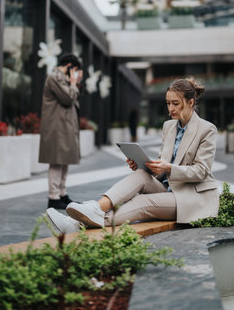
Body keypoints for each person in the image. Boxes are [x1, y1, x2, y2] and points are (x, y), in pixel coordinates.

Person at [46, 77, 219, 232]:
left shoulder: (207, 129)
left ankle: (77, 224)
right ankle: (97, 208)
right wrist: (146, 166)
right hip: (167, 188)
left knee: (142, 203)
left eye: (176, 103)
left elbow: (202, 171)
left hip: (189, 197)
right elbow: (161, 166)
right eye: (168, 103)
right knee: (140, 174)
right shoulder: (169, 126)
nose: (170, 108)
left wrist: (169, 167)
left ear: (190, 102)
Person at [39, 53, 83, 210]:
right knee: (57, 162)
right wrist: (73, 83)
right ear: (70, 67)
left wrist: (73, 83)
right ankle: (53, 197)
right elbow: (68, 99)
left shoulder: (62, 79)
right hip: (57, 128)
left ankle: (62, 194)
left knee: (63, 161)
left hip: (64, 127)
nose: (76, 74)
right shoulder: (54, 78)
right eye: (75, 70)